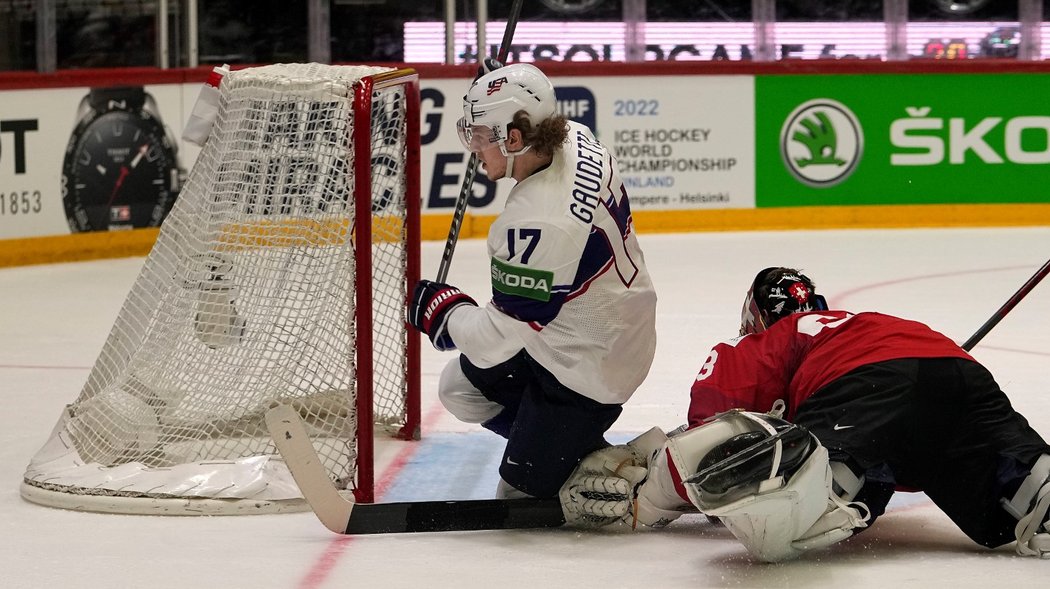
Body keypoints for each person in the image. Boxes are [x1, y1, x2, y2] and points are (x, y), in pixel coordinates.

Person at [561, 267, 1050, 562]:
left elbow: (712, 431)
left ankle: (828, 486)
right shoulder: (857, 322)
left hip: (864, 384)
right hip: (959, 375)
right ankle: (1034, 484)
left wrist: (652, 499)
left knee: (813, 491)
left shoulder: (767, 340)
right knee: (1009, 495)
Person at [406, 62, 658, 501]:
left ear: (515, 138)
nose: (475, 148)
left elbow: (491, 343)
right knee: (459, 389)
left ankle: (576, 458)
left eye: (483, 136)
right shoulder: (577, 135)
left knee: (517, 497)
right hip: (592, 323)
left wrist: (446, 315)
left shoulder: (539, 222)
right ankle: (564, 449)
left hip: (592, 366)